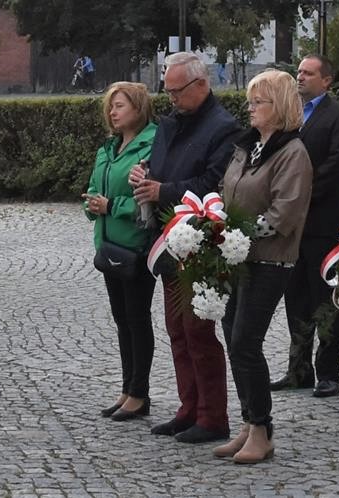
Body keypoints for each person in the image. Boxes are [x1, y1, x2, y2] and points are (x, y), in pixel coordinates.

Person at [129, 52, 241, 443]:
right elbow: (164, 168)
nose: (171, 98)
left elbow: (214, 183)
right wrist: (146, 174)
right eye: (168, 91)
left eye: (177, 91)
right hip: (168, 241)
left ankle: (213, 416)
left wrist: (164, 190)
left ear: (201, 84)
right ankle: (188, 408)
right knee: (177, 329)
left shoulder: (224, 128)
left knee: (198, 331)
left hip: (199, 242)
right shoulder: (169, 123)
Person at [213, 69, 312, 464]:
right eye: (250, 101)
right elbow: (227, 189)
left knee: (245, 342)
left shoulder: (293, 152)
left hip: (270, 258)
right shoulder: (248, 146)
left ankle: (262, 429)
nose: (250, 108)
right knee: (231, 334)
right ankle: (248, 420)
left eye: (259, 102)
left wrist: (235, 232)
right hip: (237, 255)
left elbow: (284, 212)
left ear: (280, 106)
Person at [270, 54, 339, 398]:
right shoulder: (289, 114)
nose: (300, 77)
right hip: (292, 227)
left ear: (327, 80)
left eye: (308, 73)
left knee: (326, 299)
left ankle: (329, 372)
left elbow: (337, 165)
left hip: (322, 222)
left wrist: (296, 195)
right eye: (298, 72)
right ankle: (299, 370)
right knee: (295, 298)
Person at [82, 82, 158, 422]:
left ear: (138, 108)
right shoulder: (108, 147)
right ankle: (127, 389)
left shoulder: (151, 145)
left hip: (136, 247)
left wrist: (112, 205)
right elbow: (93, 187)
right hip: (110, 246)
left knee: (137, 319)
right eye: (111, 106)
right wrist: (92, 204)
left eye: (120, 106)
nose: (112, 112)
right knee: (121, 320)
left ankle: (140, 393)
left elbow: (148, 200)